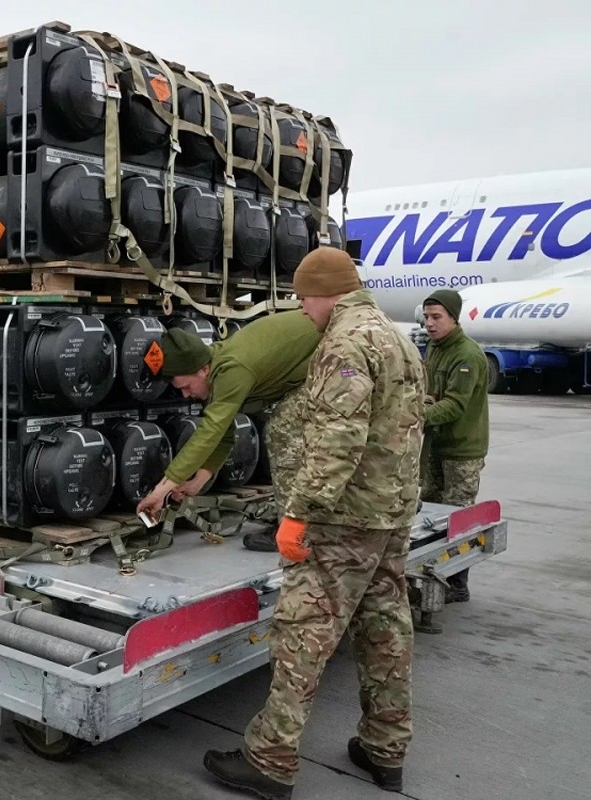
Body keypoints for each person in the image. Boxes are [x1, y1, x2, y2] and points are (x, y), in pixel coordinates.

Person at [202, 248, 426, 799]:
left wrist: (298, 512)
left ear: (326, 292)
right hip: (390, 513)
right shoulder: (398, 338)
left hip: (342, 519)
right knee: (385, 630)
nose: (303, 311)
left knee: (303, 634)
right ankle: (385, 748)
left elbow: (336, 441)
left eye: (304, 299)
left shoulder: (345, 343)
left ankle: (270, 759)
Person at [135, 312, 322, 550]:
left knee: (282, 432)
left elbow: (210, 432)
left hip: (335, 353)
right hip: (313, 364)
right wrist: (196, 483)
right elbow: (223, 435)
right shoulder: (214, 370)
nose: (185, 395)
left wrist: (161, 490)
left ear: (202, 370)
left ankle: (296, 531)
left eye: (186, 386)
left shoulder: (232, 369)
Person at [420, 289, 489, 603]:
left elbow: (455, 405)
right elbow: (432, 392)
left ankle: (457, 583)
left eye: (437, 317)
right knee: (430, 515)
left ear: (453, 317)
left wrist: (415, 415)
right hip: (436, 444)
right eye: (426, 317)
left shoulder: (466, 354)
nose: (429, 324)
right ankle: (432, 575)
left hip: (461, 451)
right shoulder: (435, 348)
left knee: (457, 520)